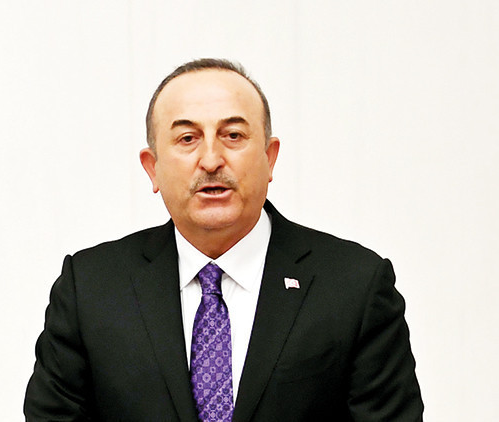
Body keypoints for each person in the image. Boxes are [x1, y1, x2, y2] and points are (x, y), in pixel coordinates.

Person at [24, 58, 423, 421]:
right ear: (152, 168)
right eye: (187, 139)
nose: (212, 160)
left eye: (233, 135)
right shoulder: (90, 289)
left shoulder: (354, 286)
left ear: (270, 158)